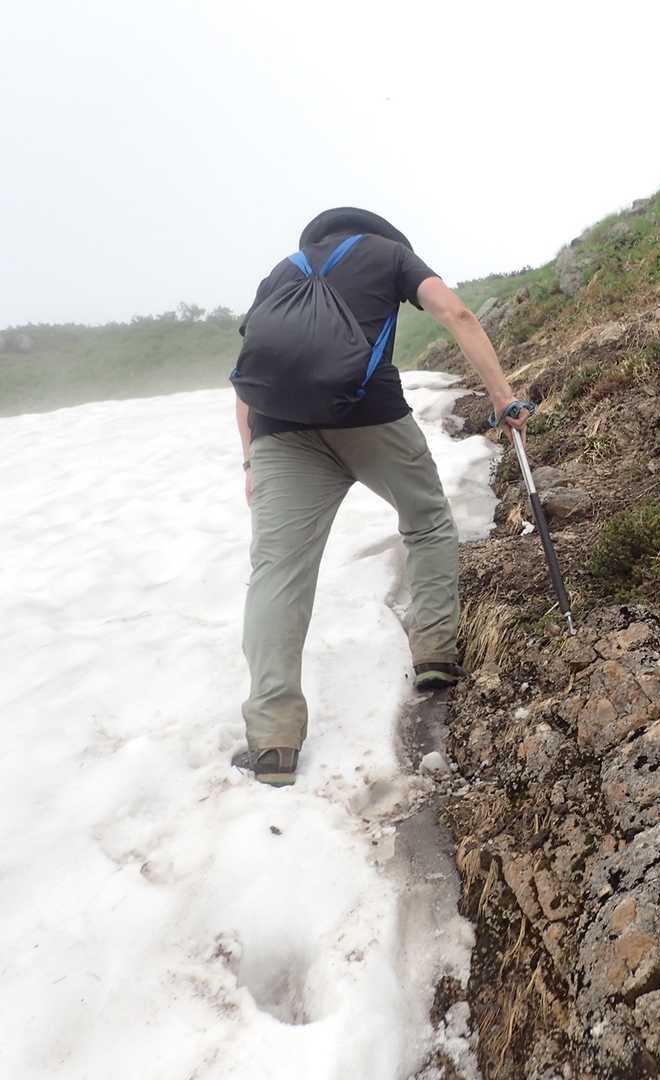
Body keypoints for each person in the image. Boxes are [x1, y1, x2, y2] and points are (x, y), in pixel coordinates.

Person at [230, 207, 526, 786]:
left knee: (278, 573)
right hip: (371, 418)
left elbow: (245, 376)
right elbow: (456, 312)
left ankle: (273, 741)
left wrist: (250, 460)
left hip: (278, 434)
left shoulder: (282, 272)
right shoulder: (388, 254)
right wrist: (501, 397)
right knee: (427, 521)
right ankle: (434, 654)